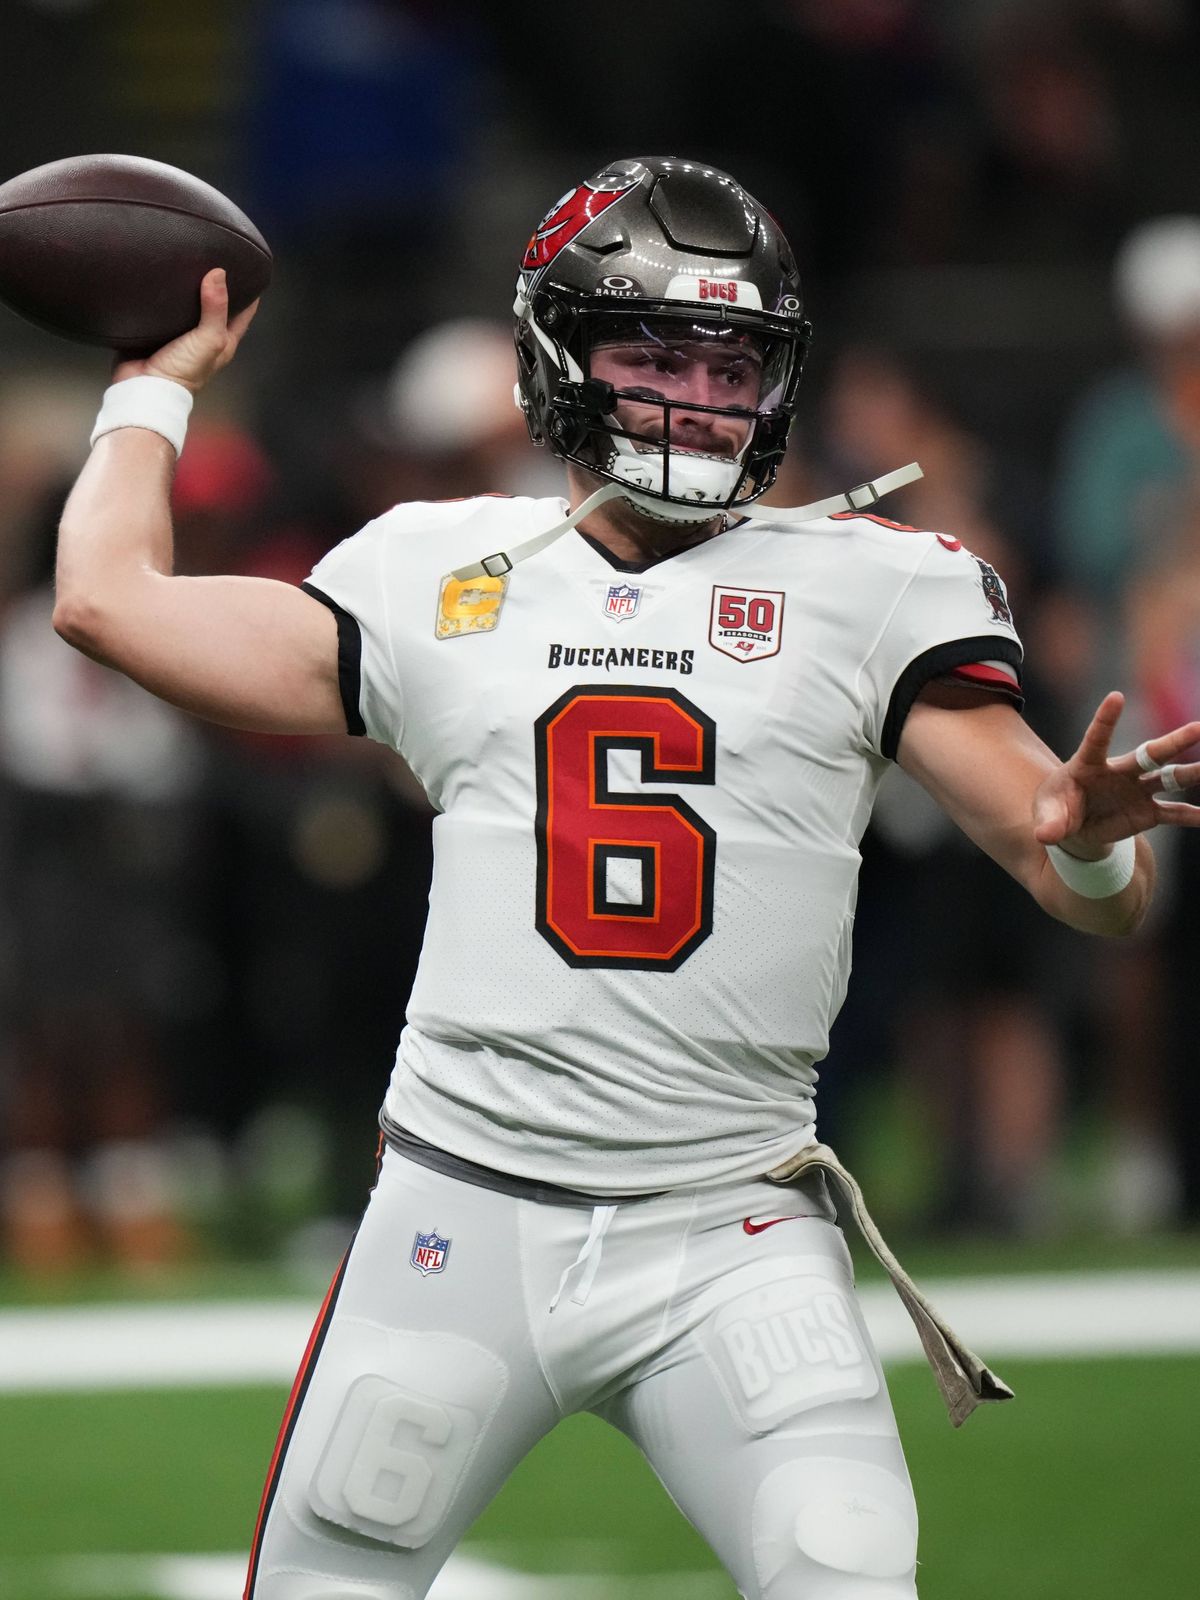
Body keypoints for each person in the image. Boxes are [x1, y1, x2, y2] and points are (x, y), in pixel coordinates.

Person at [54, 157, 1200, 1600]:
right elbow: (106, 602)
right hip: (465, 1209)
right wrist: (152, 386)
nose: (699, 398)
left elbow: (1083, 879)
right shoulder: (437, 571)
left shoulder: (866, 585)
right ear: (558, 357)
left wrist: (1092, 834)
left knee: (848, 1581)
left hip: (730, 1226)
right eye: (654, 353)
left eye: (734, 364)